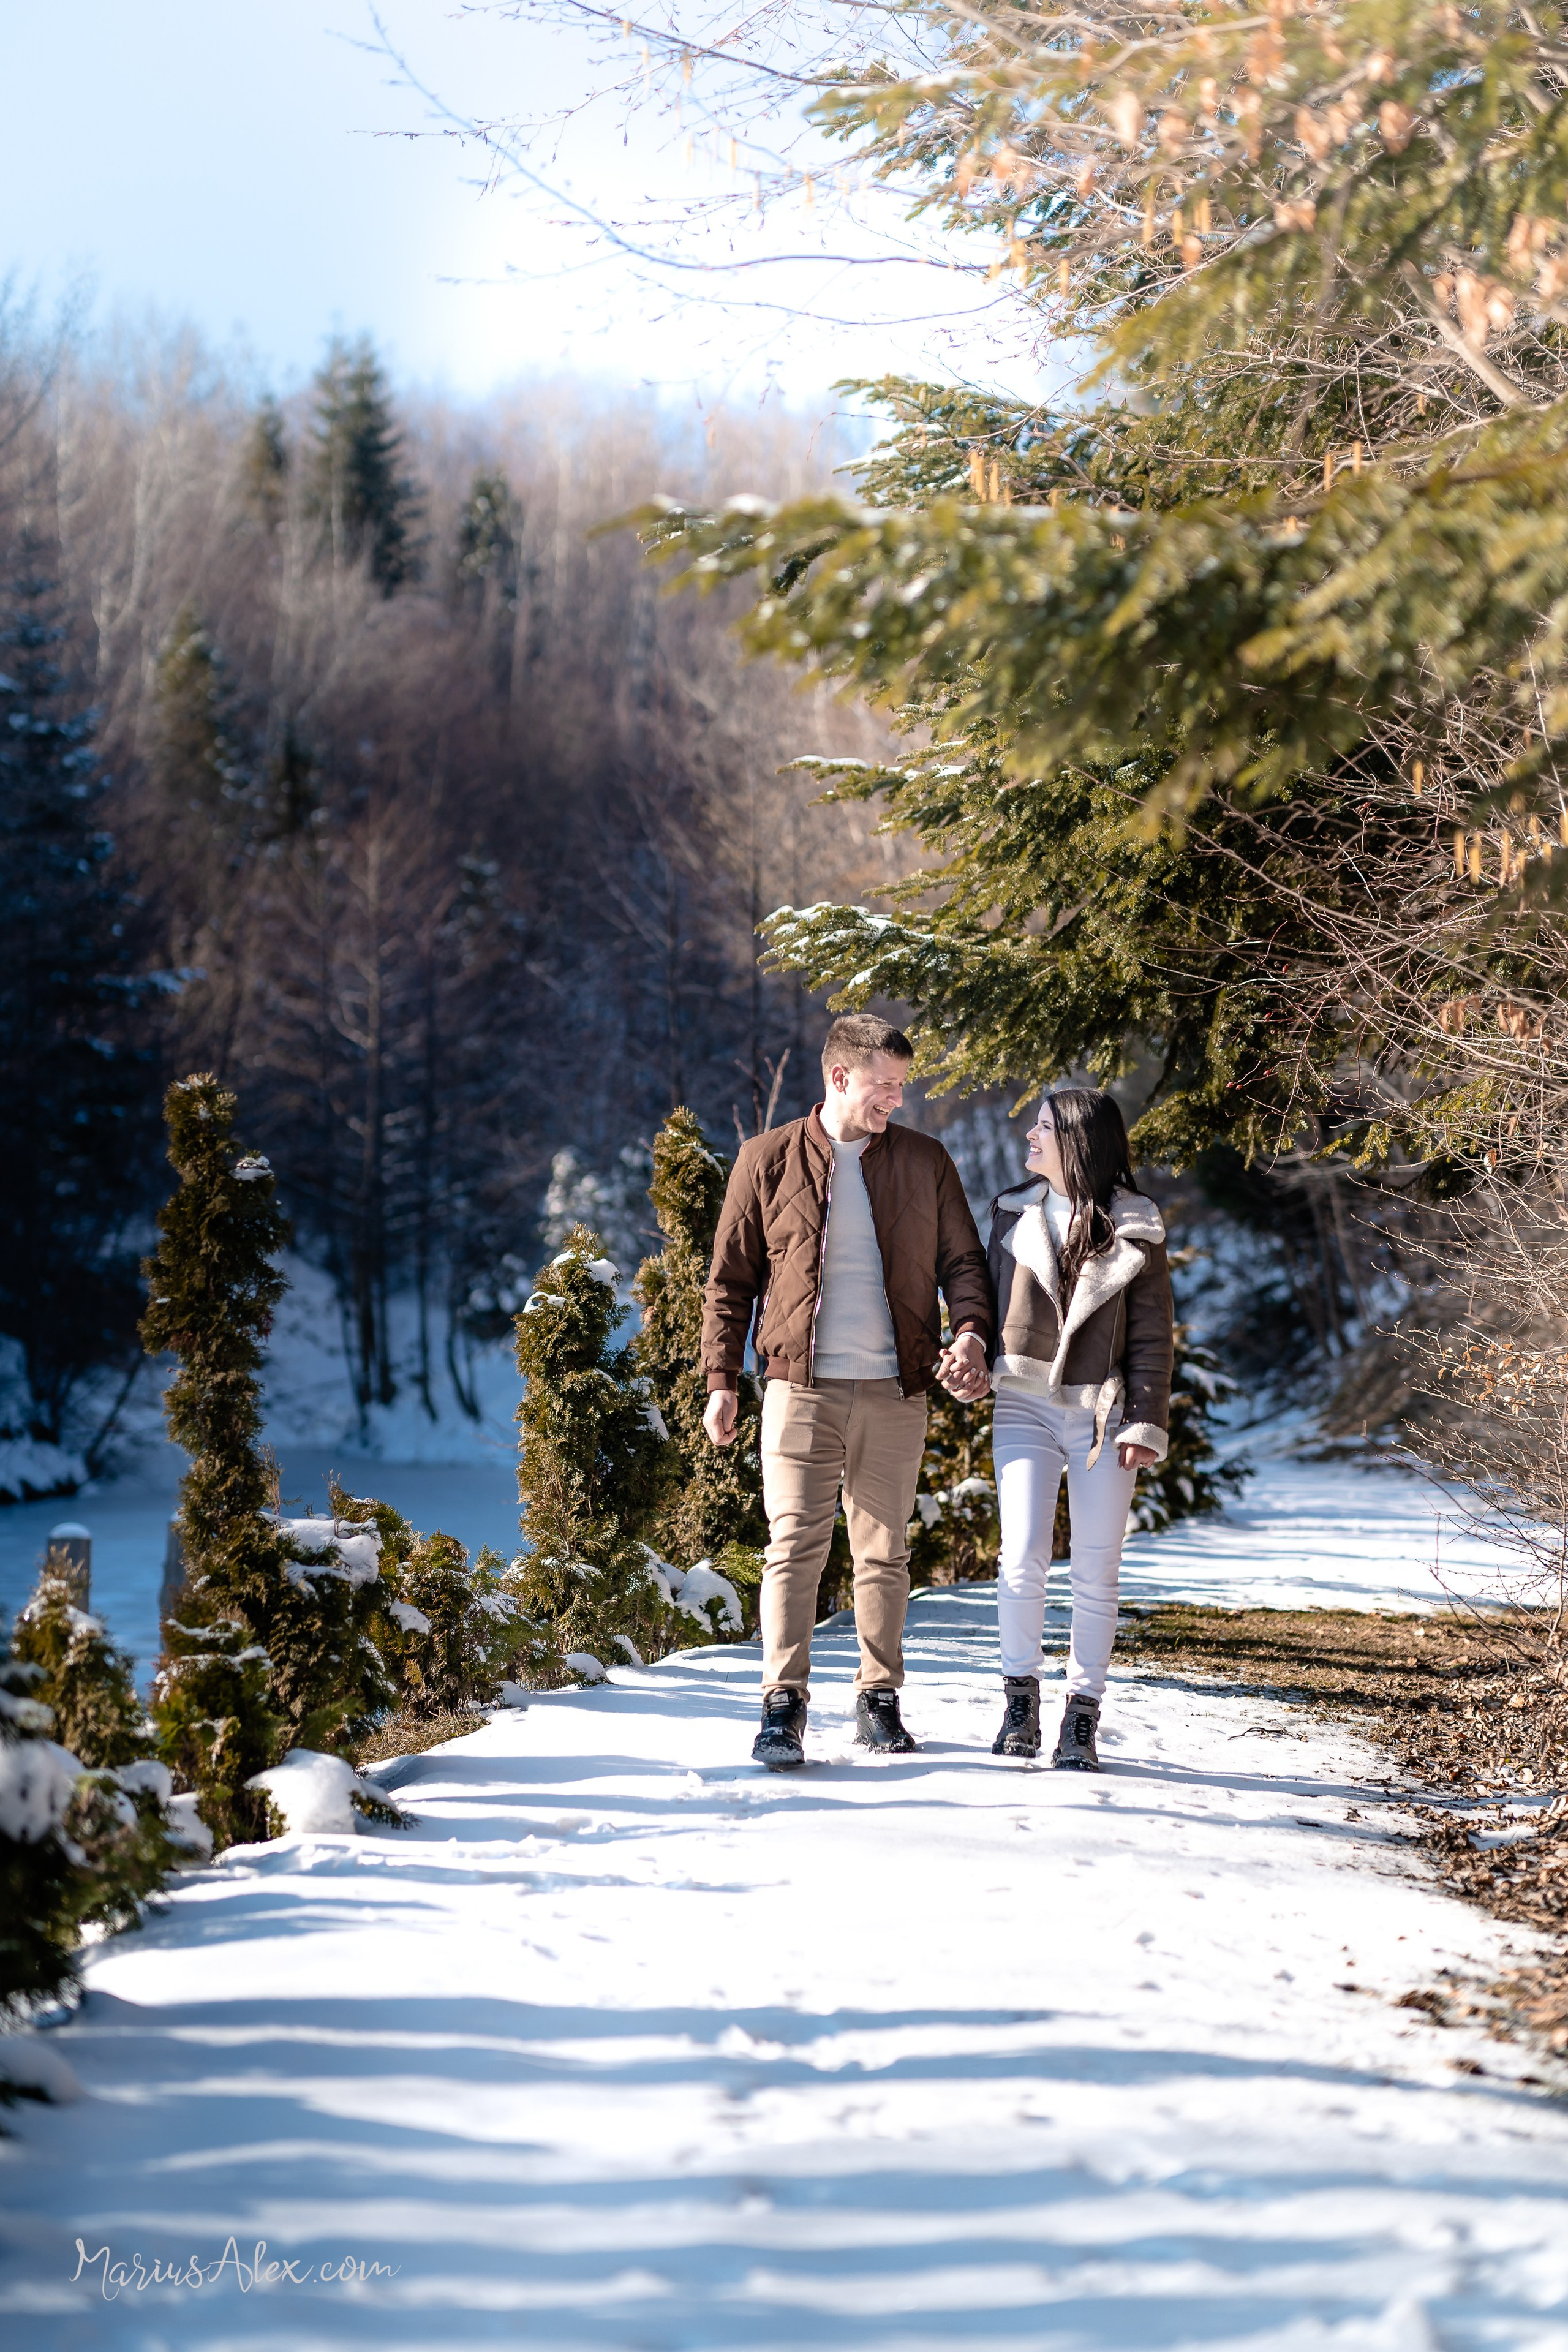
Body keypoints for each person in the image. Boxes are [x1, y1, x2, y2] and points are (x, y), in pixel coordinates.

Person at [701, 1014, 993, 1769]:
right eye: (883, 1086)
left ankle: (878, 1699)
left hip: (896, 1390)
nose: (895, 1100)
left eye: (901, 1086)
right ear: (839, 1077)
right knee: (792, 1547)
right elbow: (730, 1285)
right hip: (799, 1390)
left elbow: (965, 1263)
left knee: (883, 1552)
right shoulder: (765, 1160)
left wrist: (967, 1332)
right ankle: (782, 1706)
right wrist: (720, 1381)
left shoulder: (926, 1162)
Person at [987, 1087, 1173, 1770]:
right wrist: (969, 1348)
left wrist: (1145, 1421)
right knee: (1022, 1555)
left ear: (1076, 1142)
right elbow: (978, 1298)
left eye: (1042, 1129)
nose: (1028, 1139)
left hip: (1105, 1412)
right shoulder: (1011, 1212)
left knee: (1097, 1568)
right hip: (1024, 1404)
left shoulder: (1138, 1227)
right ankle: (1019, 1705)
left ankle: (1081, 1719)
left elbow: (1152, 1335)